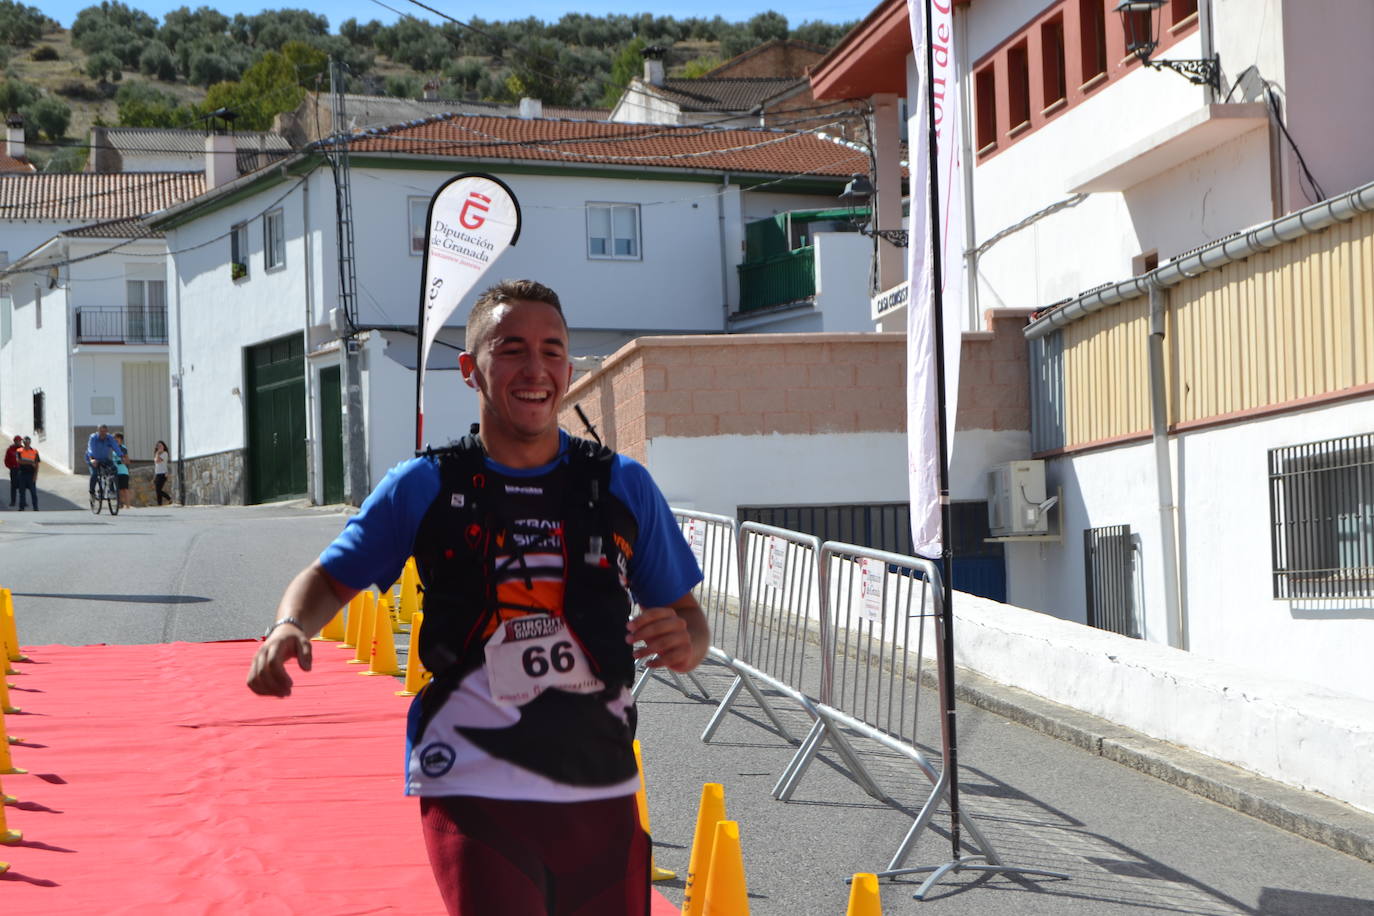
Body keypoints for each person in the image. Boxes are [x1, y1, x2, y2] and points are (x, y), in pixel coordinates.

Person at [248, 280, 709, 916]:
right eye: (511, 349)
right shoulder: (425, 484)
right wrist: (288, 626)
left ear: (569, 368)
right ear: (471, 369)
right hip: (471, 779)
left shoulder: (622, 484)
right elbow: (328, 579)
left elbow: (689, 620)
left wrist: (687, 643)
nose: (535, 369)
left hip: (599, 784)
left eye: (552, 351)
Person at [85, 424, 118, 497]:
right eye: (101, 431)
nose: (103, 433)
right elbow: (90, 449)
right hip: (93, 458)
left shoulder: (109, 438)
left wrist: (122, 456)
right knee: (95, 474)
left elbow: (115, 447)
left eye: (104, 431)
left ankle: (112, 490)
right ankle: (92, 492)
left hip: (104, 459)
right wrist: (92, 459)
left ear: (107, 431)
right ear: (98, 431)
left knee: (114, 469)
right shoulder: (93, 437)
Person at [15, 436, 38, 511]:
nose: (27, 443)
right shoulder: (19, 451)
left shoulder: (34, 451)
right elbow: (19, 461)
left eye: (28, 442)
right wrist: (30, 462)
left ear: (30, 442)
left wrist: (35, 476)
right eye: (25, 442)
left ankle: (36, 507)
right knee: (22, 492)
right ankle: (21, 508)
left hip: (31, 474)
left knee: (33, 492)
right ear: (23, 443)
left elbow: (37, 465)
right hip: (22, 474)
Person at [112, 432, 132, 509]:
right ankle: (120, 505)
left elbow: (127, 460)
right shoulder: (112, 449)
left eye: (117, 439)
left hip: (123, 471)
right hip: (115, 471)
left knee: (125, 489)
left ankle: (127, 505)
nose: (115, 441)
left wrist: (121, 460)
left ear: (121, 440)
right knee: (118, 489)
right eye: (114, 440)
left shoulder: (122, 448)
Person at [153, 440, 171, 506]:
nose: (159, 447)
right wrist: (157, 453)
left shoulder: (165, 453)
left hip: (163, 474)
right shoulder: (157, 454)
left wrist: (157, 453)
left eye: (161, 445)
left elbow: (157, 461)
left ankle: (169, 498)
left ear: (164, 446)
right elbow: (156, 463)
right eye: (158, 446)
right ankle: (159, 504)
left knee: (158, 490)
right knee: (157, 490)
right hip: (158, 474)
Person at [4, 435, 20, 508]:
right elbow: (6, 460)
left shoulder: (22, 449)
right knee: (13, 486)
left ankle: (23, 501)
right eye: (18, 441)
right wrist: (10, 467)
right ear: (15, 441)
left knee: (22, 485)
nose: (19, 442)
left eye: (20, 441)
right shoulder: (10, 450)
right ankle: (13, 501)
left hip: (21, 469)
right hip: (13, 469)